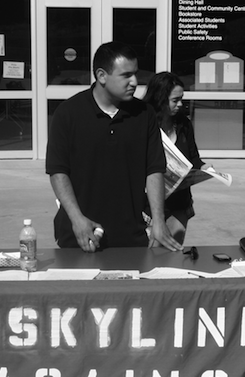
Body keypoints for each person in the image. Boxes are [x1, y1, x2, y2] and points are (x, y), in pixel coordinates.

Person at [46, 42, 181, 252]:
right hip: (80, 235)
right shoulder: (68, 114)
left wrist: (159, 221)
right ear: (101, 76)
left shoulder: (144, 114)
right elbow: (58, 171)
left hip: (131, 236)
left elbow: (154, 169)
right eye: (126, 75)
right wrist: (77, 219)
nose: (135, 82)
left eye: (135, 74)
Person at [142, 72, 205, 244]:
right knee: (149, 257)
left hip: (178, 204)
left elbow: (194, 158)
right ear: (160, 99)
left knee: (170, 256)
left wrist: (205, 169)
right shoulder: (144, 125)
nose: (180, 104)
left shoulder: (184, 124)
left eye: (181, 99)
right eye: (175, 100)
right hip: (148, 207)